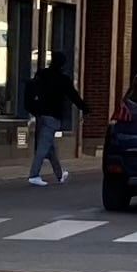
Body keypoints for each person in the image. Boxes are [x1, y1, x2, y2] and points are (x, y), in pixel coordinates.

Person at [23, 52, 88, 187]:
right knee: (43, 146)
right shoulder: (63, 79)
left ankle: (60, 174)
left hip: (40, 114)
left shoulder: (41, 74)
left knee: (49, 146)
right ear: (63, 64)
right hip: (53, 116)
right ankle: (34, 175)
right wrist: (85, 108)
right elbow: (73, 96)